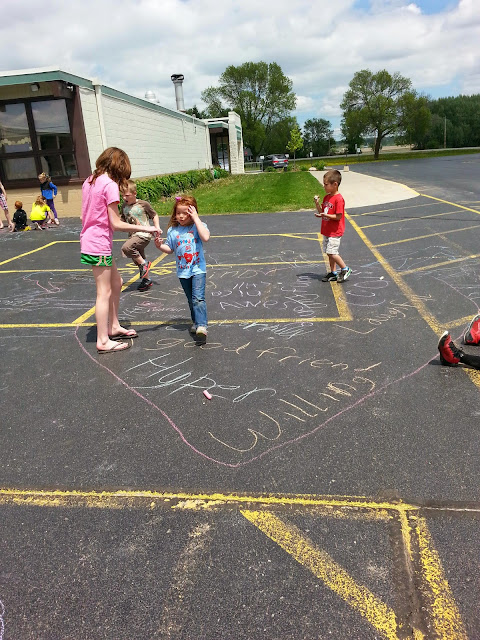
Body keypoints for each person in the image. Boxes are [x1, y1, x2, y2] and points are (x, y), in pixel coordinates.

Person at [80, 147, 158, 354]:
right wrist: (147, 228)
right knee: (103, 292)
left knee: (117, 282)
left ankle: (113, 326)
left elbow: (83, 215)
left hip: (92, 241)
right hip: (98, 244)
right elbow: (115, 223)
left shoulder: (89, 181)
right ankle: (103, 340)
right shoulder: (109, 185)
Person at [154, 195, 210, 340]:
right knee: (191, 299)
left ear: (193, 212)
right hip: (183, 271)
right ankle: (196, 322)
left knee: (198, 298)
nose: (181, 216)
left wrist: (196, 218)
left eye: (185, 213)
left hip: (198, 269)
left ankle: (202, 325)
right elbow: (169, 248)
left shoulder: (198, 226)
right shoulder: (173, 230)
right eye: (178, 213)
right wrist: (160, 246)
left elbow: (205, 237)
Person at [120, 179, 162, 292]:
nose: (124, 198)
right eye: (122, 195)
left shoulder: (143, 204)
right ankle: (146, 280)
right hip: (133, 235)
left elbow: (154, 215)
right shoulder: (124, 206)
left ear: (134, 193)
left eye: (127, 195)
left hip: (144, 234)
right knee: (138, 259)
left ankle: (145, 264)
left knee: (127, 248)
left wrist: (157, 227)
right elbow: (121, 220)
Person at [314, 169, 352, 283]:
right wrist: (317, 205)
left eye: (326, 184)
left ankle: (345, 269)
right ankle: (333, 272)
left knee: (332, 252)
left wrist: (326, 215)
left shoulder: (339, 199)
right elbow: (323, 212)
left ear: (335, 184)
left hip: (335, 231)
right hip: (327, 230)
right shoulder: (327, 197)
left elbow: (338, 216)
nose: (324, 186)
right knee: (328, 252)